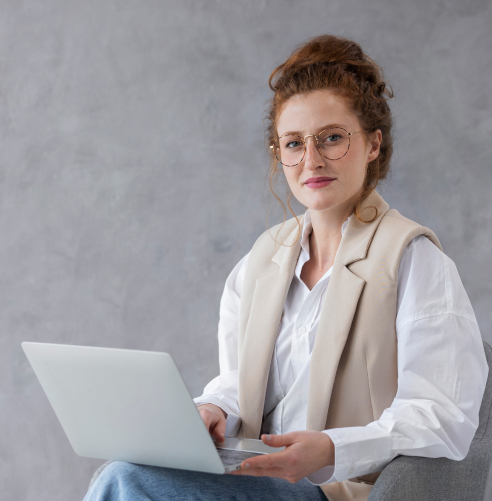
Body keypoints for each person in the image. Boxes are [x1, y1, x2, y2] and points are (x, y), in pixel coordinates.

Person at [84, 35, 488, 501]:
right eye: (293, 144)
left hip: (337, 489)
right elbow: (241, 382)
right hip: (255, 474)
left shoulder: (416, 261)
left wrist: (331, 450)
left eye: (332, 138)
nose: (311, 160)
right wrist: (214, 408)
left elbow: (445, 417)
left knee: (127, 482)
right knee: (126, 471)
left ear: (373, 144)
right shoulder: (259, 262)